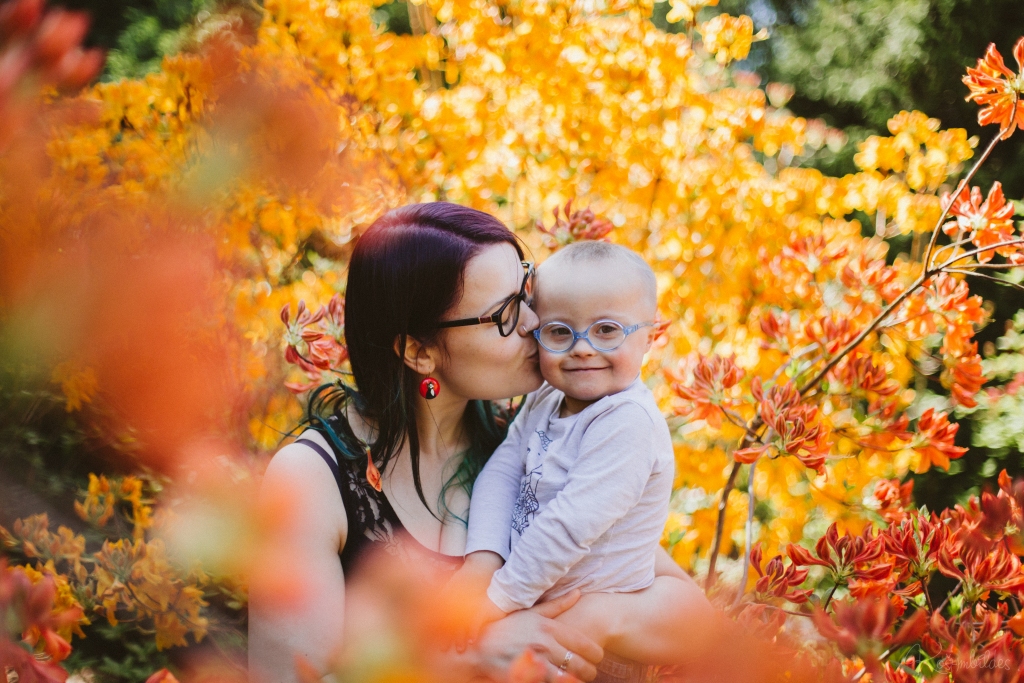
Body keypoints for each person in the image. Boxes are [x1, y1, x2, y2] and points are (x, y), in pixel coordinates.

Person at [248, 203, 722, 683]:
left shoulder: (525, 437)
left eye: (527, 295)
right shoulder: (312, 480)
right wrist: (468, 656)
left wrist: (592, 617)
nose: (535, 322)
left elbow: (694, 619)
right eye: (506, 314)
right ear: (419, 352)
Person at [448, 241, 674, 682]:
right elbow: (504, 469)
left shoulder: (627, 423)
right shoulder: (547, 397)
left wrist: (496, 600)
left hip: (594, 652)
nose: (582, 348)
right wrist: (482, 562)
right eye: (559, 332)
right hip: (528, 610)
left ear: (651, 336)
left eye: (606, 330)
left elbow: (570, 526)